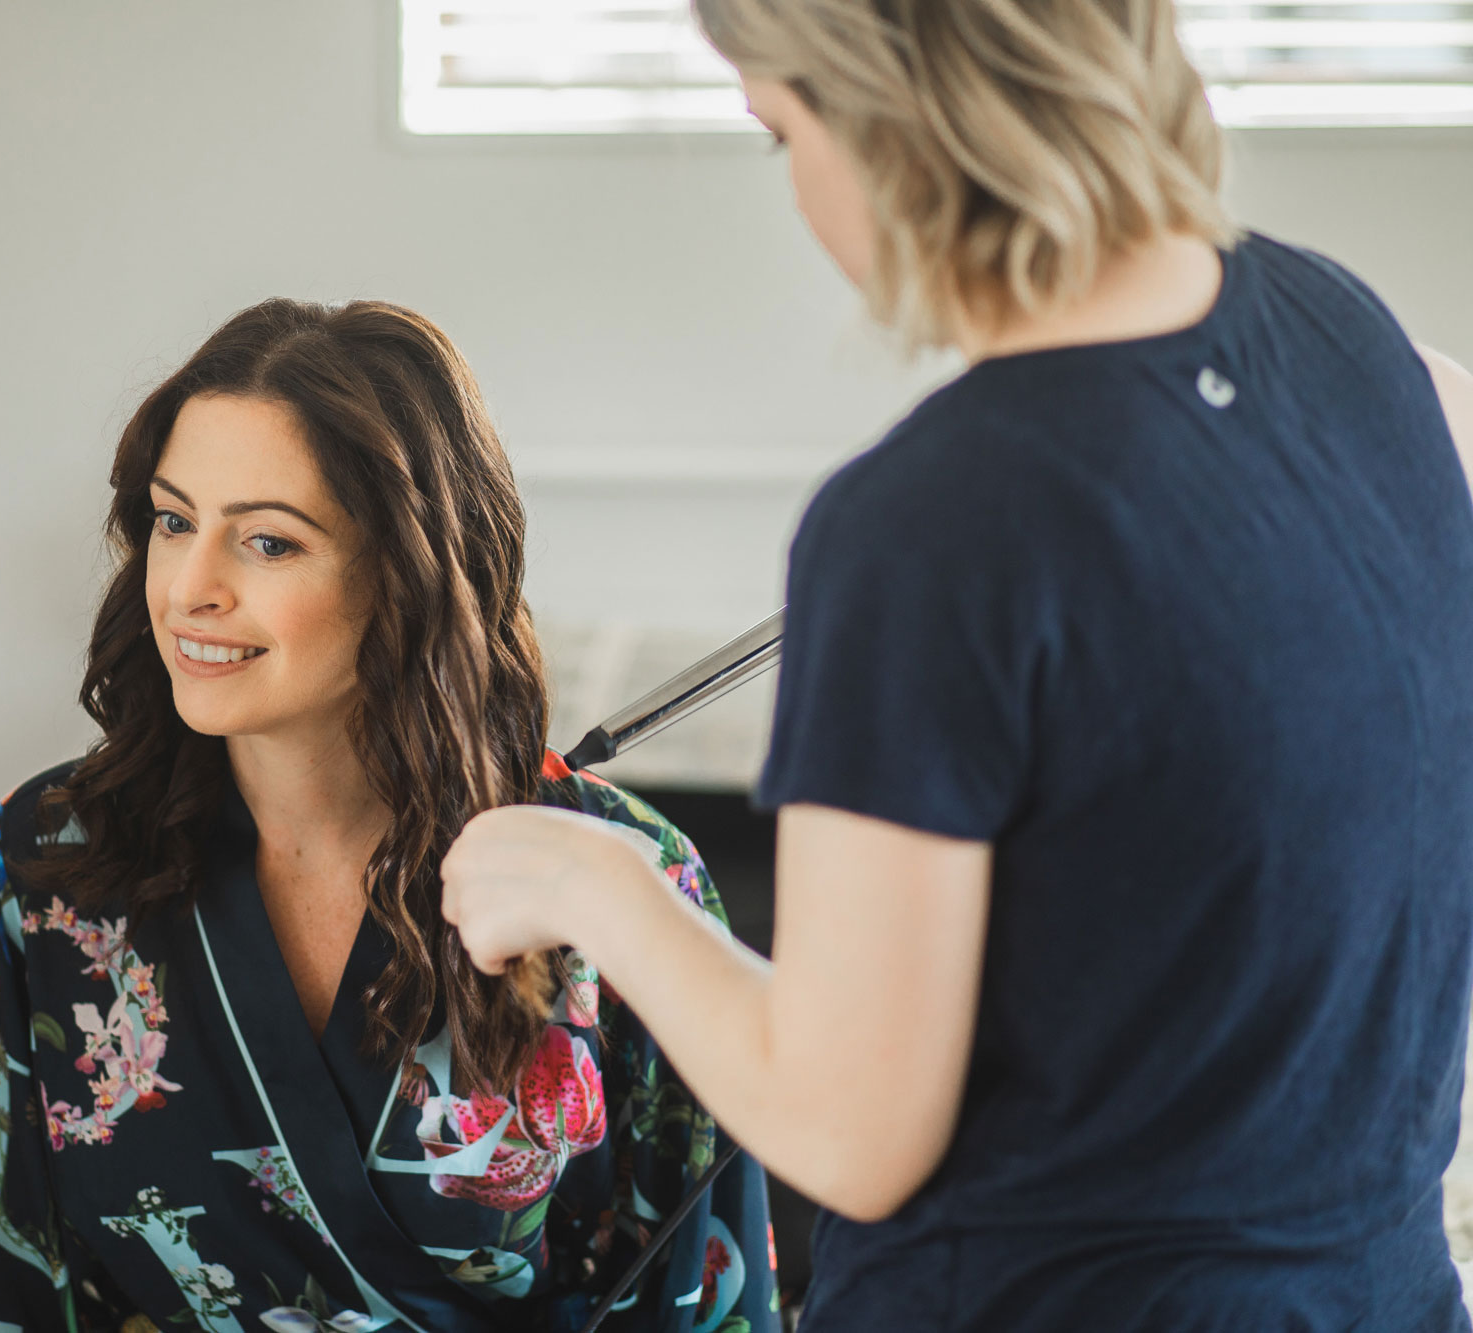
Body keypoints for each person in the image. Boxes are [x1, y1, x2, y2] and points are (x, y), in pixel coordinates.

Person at [440, 3, 1473, 1330]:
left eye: (780, 133)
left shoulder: (929, 524)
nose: (804, 196)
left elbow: (851, 1126)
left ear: (894, 117)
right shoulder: (1375, 351)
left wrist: (608, 888)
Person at [0, 299, 778, 1333]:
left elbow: (699, 1302)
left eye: (269, 543)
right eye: (172, 520)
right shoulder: (47, 870)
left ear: (410, 573)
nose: (190, 587)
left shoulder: (620, 879)